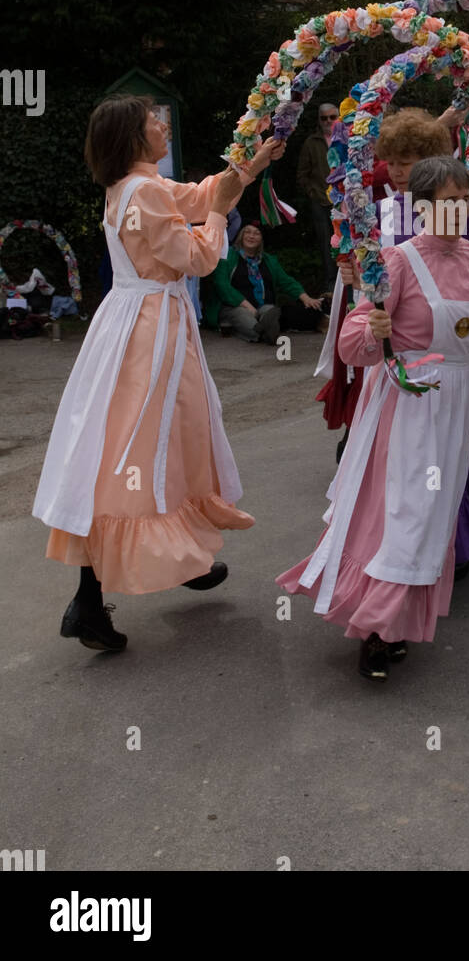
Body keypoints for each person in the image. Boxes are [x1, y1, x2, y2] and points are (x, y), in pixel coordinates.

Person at [276, 156, 469, 680]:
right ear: (421, 207)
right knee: (407, 512)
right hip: (406, 402)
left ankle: (392, 622)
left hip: (457, 403)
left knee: (433, 514)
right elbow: (352, 345)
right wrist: (371, 329)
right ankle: (376, 629)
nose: (459, 210)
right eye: (448, 201)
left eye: (465, 200)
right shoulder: (396, 261)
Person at [32, 96, 283, 652]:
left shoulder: (132, 185)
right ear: (133, 136)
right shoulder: (143, 190)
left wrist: (249, 165)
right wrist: (218, 217)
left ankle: (181, 559)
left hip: (134, 323)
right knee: (148, 448)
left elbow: (196, 194)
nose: (163, 126)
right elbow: (196, 258)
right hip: (152, 330)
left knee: (157, 442)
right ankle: (92, 599)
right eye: (153, 122)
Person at [317, 107, 469, 577]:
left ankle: (453, 545)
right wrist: (354, 279)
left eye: (409, 161)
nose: (398, 171)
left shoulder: (465, 217)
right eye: (393, 161)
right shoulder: (379, 211)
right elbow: (374, 282)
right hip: (396, 350)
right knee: (397, 456)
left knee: (451, 453)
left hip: (449, 355)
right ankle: (396, 554)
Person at [202, 222, 323, 342]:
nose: (251, 236)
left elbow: (287, 282)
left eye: (256, 233)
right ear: (241, 235)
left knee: (271, 312)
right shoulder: (227, 256)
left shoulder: (269, 260)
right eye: (247, 232)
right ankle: (263, 334)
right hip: (233, 307)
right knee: (244, 317)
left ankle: (266, 329)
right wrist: (247, 306)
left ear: (261, 239)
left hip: (262, 306)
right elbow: (222, 285)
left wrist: (306, 298)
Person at [297, 103, 340, 290]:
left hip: (346, 200)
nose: (328, 121)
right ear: (319, 120)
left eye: (332, 117)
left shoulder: (348, 138)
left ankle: (349, 285)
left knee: (349, 241)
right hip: (321, 201)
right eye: (324, 118)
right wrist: (313, 192)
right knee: (326, 244)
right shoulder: (311, 143)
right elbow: (302, 174)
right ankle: (331, 285)